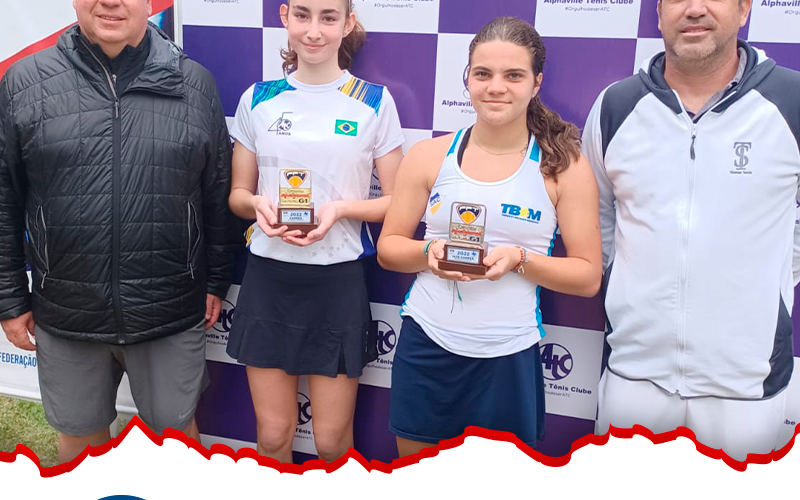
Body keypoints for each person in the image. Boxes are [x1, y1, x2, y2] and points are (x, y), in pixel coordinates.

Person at [0, 0, 236, 464]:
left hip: (168, 309)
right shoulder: (24, 82)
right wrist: (9, 297)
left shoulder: (194, 83)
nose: (110, 2)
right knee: (79, 451)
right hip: (67, 313)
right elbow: (5, 198)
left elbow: (217, 196)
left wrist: (215, 281)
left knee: (177, 450)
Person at [582, 0, 800, 460]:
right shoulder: (616, 105)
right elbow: (597, 220)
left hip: (745, 387)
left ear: (744, 10)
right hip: (633, 377)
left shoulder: (792, 101)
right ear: (659, 12)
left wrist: (769, 284)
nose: (695, 8)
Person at [376, 17, 602, 458]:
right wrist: (429, 252)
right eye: (483, 74)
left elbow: (588, 276)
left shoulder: (564, 165)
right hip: (426, 344)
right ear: (468, 79)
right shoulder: (429, 155)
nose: (496, 87)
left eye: (513, 75)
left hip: (508, 354)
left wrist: (519, 259)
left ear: (536, 83)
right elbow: (389, 248)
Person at [225, 0, 404, 464]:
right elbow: (238, 195)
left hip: (336, 282)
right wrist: (257, 205)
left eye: (328, 17)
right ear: (285, 16)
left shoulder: (374, 101)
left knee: (331, 442)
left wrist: (340, 211)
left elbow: (398, 202)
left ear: (347, 23)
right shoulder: (257, 98)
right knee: (272, 436)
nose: (314, 30)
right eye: (303, 15)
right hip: (269, 279)